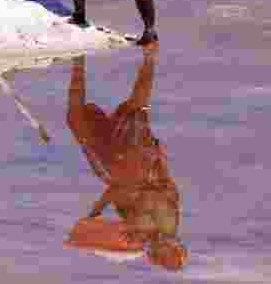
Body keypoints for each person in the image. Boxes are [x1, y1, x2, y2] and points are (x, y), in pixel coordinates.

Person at [64, 50, 188, 272]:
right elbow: (132, 191)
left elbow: (120, 191)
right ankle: (150, 56)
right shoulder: (166, 224)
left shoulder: (148, 233)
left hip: (121, 168)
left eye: (156, 256)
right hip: (137, 163)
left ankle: (78, 60)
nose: (152, 252)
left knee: (77, 120)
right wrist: (95, 215)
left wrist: (97, 219)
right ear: (169, 246)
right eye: (159, 254)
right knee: (136, 109)